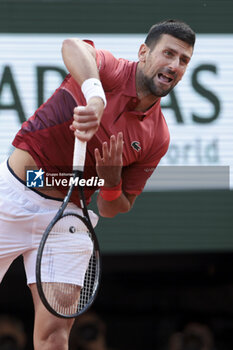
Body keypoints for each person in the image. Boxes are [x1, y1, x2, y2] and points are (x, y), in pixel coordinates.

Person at [0, 19, 195, 350]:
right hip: (12, 196)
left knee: (54, 337)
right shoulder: (113, 71)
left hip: (67, 220)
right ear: (144, 53)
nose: (174, 66)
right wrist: (95, 97)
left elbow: (114, 207)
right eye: (169, 54)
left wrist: (111, 182)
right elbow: (72, 46)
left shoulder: (157, 136)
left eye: (184, 60)